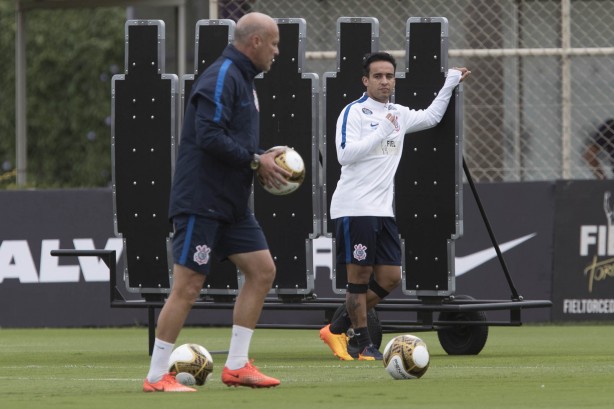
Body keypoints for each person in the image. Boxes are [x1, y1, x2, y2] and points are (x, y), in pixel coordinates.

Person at [143, 12, 290, 392]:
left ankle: (237, 366)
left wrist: (259, 155)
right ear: (255, 42)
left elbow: (229, 139)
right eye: (273, 43)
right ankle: (156, 375)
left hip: (232, 204)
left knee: (262, 271)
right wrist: (257, 160)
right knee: (188, 285)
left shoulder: (242, 78)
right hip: (202, 200)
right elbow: (207, 134)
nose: (277, 50)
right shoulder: (223, 75)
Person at [320, 52, 471, 361]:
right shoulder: (355, 112)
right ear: (366, 81)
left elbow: (431, 117)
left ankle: (341, 323)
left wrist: (451, 82)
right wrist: (382, 131)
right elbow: (345, 155)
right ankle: (362, 343)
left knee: (391, 278)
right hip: (354, 207)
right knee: (358, 277)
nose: (385, 81)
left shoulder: (398, 114)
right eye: (378, 76)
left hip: (383, 211)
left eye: (389, 76)